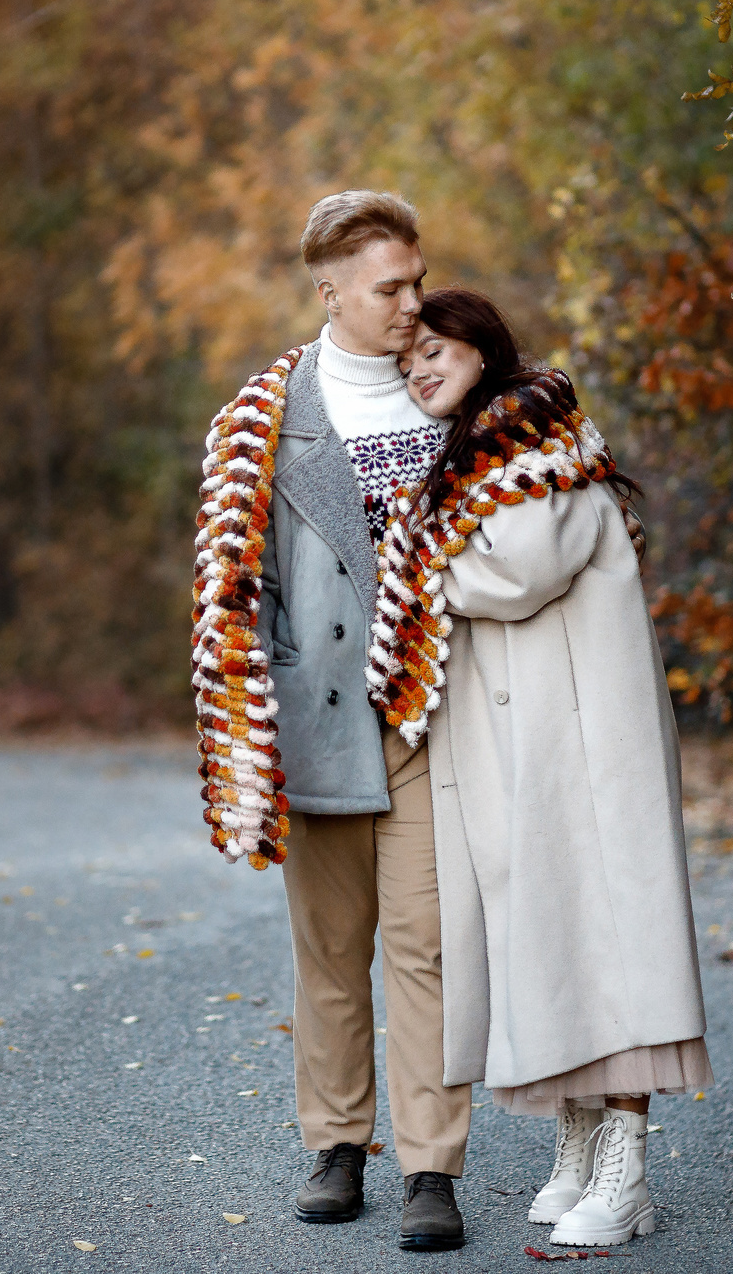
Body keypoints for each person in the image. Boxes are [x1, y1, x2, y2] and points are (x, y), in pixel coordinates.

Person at [368, 287, 711, 1249]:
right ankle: (578, 1135)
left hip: (585, 734)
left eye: (435, 349)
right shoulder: (478, 453)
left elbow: (517, 571)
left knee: (610, 931)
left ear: (484, 351)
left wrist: (414, 550)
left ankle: (627, 1164)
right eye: (406, 361)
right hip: (530, 736)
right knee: (549, 930)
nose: (420, 368)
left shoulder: (533, 445)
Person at [189, 190, 471, 1252]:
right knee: (328, 951)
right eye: (390, 286)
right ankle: (336, 1147)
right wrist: (251, 733)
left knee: (427, 948)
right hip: (314, 721)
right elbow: (235, 594)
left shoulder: (445, 396)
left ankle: (432, 1167)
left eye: (416, 280)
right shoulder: (263, 424)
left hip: (427, 722)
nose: (412, 302)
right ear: (332, 291)